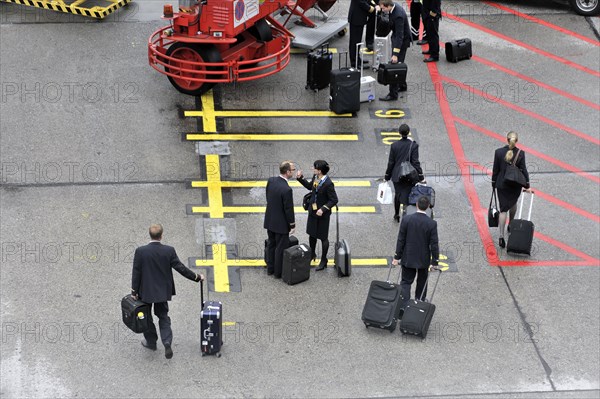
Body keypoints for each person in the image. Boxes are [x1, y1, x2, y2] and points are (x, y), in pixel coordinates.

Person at [131, 224, 204, 359]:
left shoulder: (141, 251)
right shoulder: (169, 251)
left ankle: (151, 342)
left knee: (146, 318)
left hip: (145, 292)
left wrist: (134, 291)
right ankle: (166, 341)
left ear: (150, 235)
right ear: (161, 236)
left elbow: (136, 272)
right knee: (163, 316)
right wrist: (197, 277)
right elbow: (181, 268)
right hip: (162, 292)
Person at [392, 195, 439, 309]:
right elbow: (434, 244)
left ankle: (403, 306)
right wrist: (434, 262)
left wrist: (397, 257)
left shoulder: (407, 219)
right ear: (428, 207)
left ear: (416, 205)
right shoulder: (431, 223)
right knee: (422, 282)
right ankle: (419, 304)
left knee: (406, 282)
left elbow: (401, 239)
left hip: (408, 257)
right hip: (423, 259)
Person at [297, 160, 339, 271]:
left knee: (323, 238)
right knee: (312, 234)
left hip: (322, 215)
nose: (313, 169)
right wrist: (300, 178)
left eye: (314, 167)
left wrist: (323, 209)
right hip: (313, 211)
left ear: (320, 170)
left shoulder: (328, 183)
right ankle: (312, 254)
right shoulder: (316, 177)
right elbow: (310, 187)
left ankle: (324, 260)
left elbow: (334, 200)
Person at [491, 131, 531, 248]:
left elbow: (495, 170)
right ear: (516, 140)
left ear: (507, 139)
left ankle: (501, 236)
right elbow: (524, 170)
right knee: (513, 204)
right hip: (515, 185)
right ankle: (511, 224)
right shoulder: (520, 153)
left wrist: (493, 183)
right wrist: (527, 184)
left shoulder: (498, 152)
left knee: (503, 209)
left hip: (501, 185)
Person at [384, 124, 424, 222]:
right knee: (408, 195)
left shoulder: (394, 146)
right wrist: (421, 175)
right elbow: (415, 162)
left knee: (398, 194)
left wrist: (387, 176)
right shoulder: (413, 145)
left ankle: (396, 214)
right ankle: (406, 216)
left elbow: (391, 162)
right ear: (409, 132)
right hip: (409, 175)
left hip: (397, 175)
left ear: (399, 133)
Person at [264, 161, 297, 278]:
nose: (294, 171)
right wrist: (292, 225)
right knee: (280, 248)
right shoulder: (287, 189)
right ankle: (278, 273)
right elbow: (289, 209)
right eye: (293, 170)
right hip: (281, 225)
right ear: (288, 172)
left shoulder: (271, 181)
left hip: (270, 220)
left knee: (271, 245)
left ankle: (270, 269)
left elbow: (268, 197)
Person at [378, 0, 411, 101]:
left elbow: (400, 36)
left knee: (394, 66)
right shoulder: (393, 7)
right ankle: (402, 85)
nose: (382, 10)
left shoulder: (398, 16)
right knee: (399, 63)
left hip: (400, 43)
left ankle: (393, 94)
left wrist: (395, 54)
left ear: (388, 6)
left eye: (383, 8)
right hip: (397, 39)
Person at [348, 0, 376, 68]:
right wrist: (371, 8)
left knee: (357, 41)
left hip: (359, 17)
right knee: (355, 42)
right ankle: (355, 63)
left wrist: (374, 4)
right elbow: (361, 2)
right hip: (356, 18)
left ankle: (358, 59)